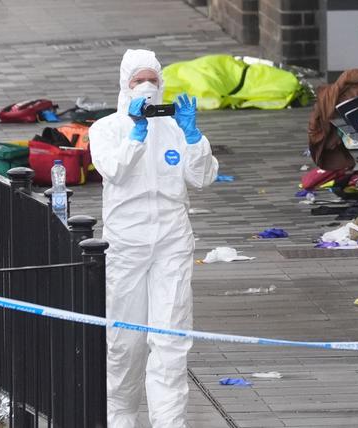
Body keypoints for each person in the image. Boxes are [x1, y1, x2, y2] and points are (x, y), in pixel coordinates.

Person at [89, 49, 219, 428]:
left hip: (172, 242)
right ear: (124, 85)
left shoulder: (176, 127)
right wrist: (134, 134)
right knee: (124, 343)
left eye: (152, 79)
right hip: (125, 243)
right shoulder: (106, 129)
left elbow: (203, 177)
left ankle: (169, 423)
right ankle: (121, 418)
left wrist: (194, 137)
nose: (146, 86)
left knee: (170, 340)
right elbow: (112, 170)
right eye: (137, 80)